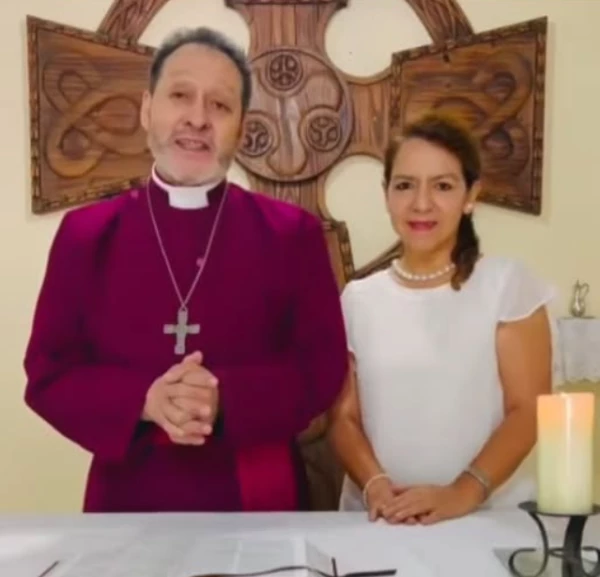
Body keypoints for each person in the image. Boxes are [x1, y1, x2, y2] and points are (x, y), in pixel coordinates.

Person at [23, 27, 348, 513]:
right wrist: (144, 399)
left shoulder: (291, 234)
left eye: (220, 105)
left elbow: (321, 368)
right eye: (180, 95)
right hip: (128, 495)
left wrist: (224, 399)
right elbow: (49, 374)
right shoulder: (87, 235)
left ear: (242, 127)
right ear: (146, 108)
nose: (197, 118)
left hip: (258, 497)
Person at [328, 113, 555, 524]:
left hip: (483, 518)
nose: (421, 203)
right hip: (381, 518)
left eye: (443, 186)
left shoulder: (507, 287)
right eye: (405, 185)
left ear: (471, 195)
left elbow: (527, 410)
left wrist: (462, 494)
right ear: (386, 195)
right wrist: (375, 485)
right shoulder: (358, 299)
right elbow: (344, 418)